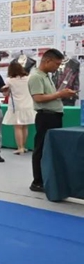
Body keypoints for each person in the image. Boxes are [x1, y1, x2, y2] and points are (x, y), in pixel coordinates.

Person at [28, 49, 77, 192]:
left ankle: (46, 178)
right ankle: (37, 182)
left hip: (53, 116)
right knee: (41, 149)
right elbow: (38, 98)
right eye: (56, 64)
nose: (57, 67)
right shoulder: (36, 77)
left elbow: (49, 96)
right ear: (47, 61)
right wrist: (59, 94)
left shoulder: (46, 76)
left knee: (49, 149)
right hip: (46, 117)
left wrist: (62, 94)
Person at [2, 61, 36, 155]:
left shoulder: (9, 80)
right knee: (25, 127)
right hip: (28, 105)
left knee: (18, 127)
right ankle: (23, 147)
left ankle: (20, 148)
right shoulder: (29, 78)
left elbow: (5, 93)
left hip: (16, 106)